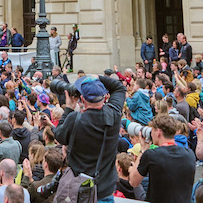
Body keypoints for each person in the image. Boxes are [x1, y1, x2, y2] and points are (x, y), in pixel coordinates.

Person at [53, 73, 126, 203]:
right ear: (104, 97)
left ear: (82, 98)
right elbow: (119, 88)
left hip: (80, 189)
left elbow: (59, 135)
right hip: (105, 190)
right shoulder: (114, 114)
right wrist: (98, 77)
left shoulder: (74, 119)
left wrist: (69, 108)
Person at [129, 114, 195, 203]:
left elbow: (133, 181)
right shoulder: (189, 154)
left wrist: (142, 150)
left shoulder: (151, 155)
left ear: (158, 132)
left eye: (152, 130)